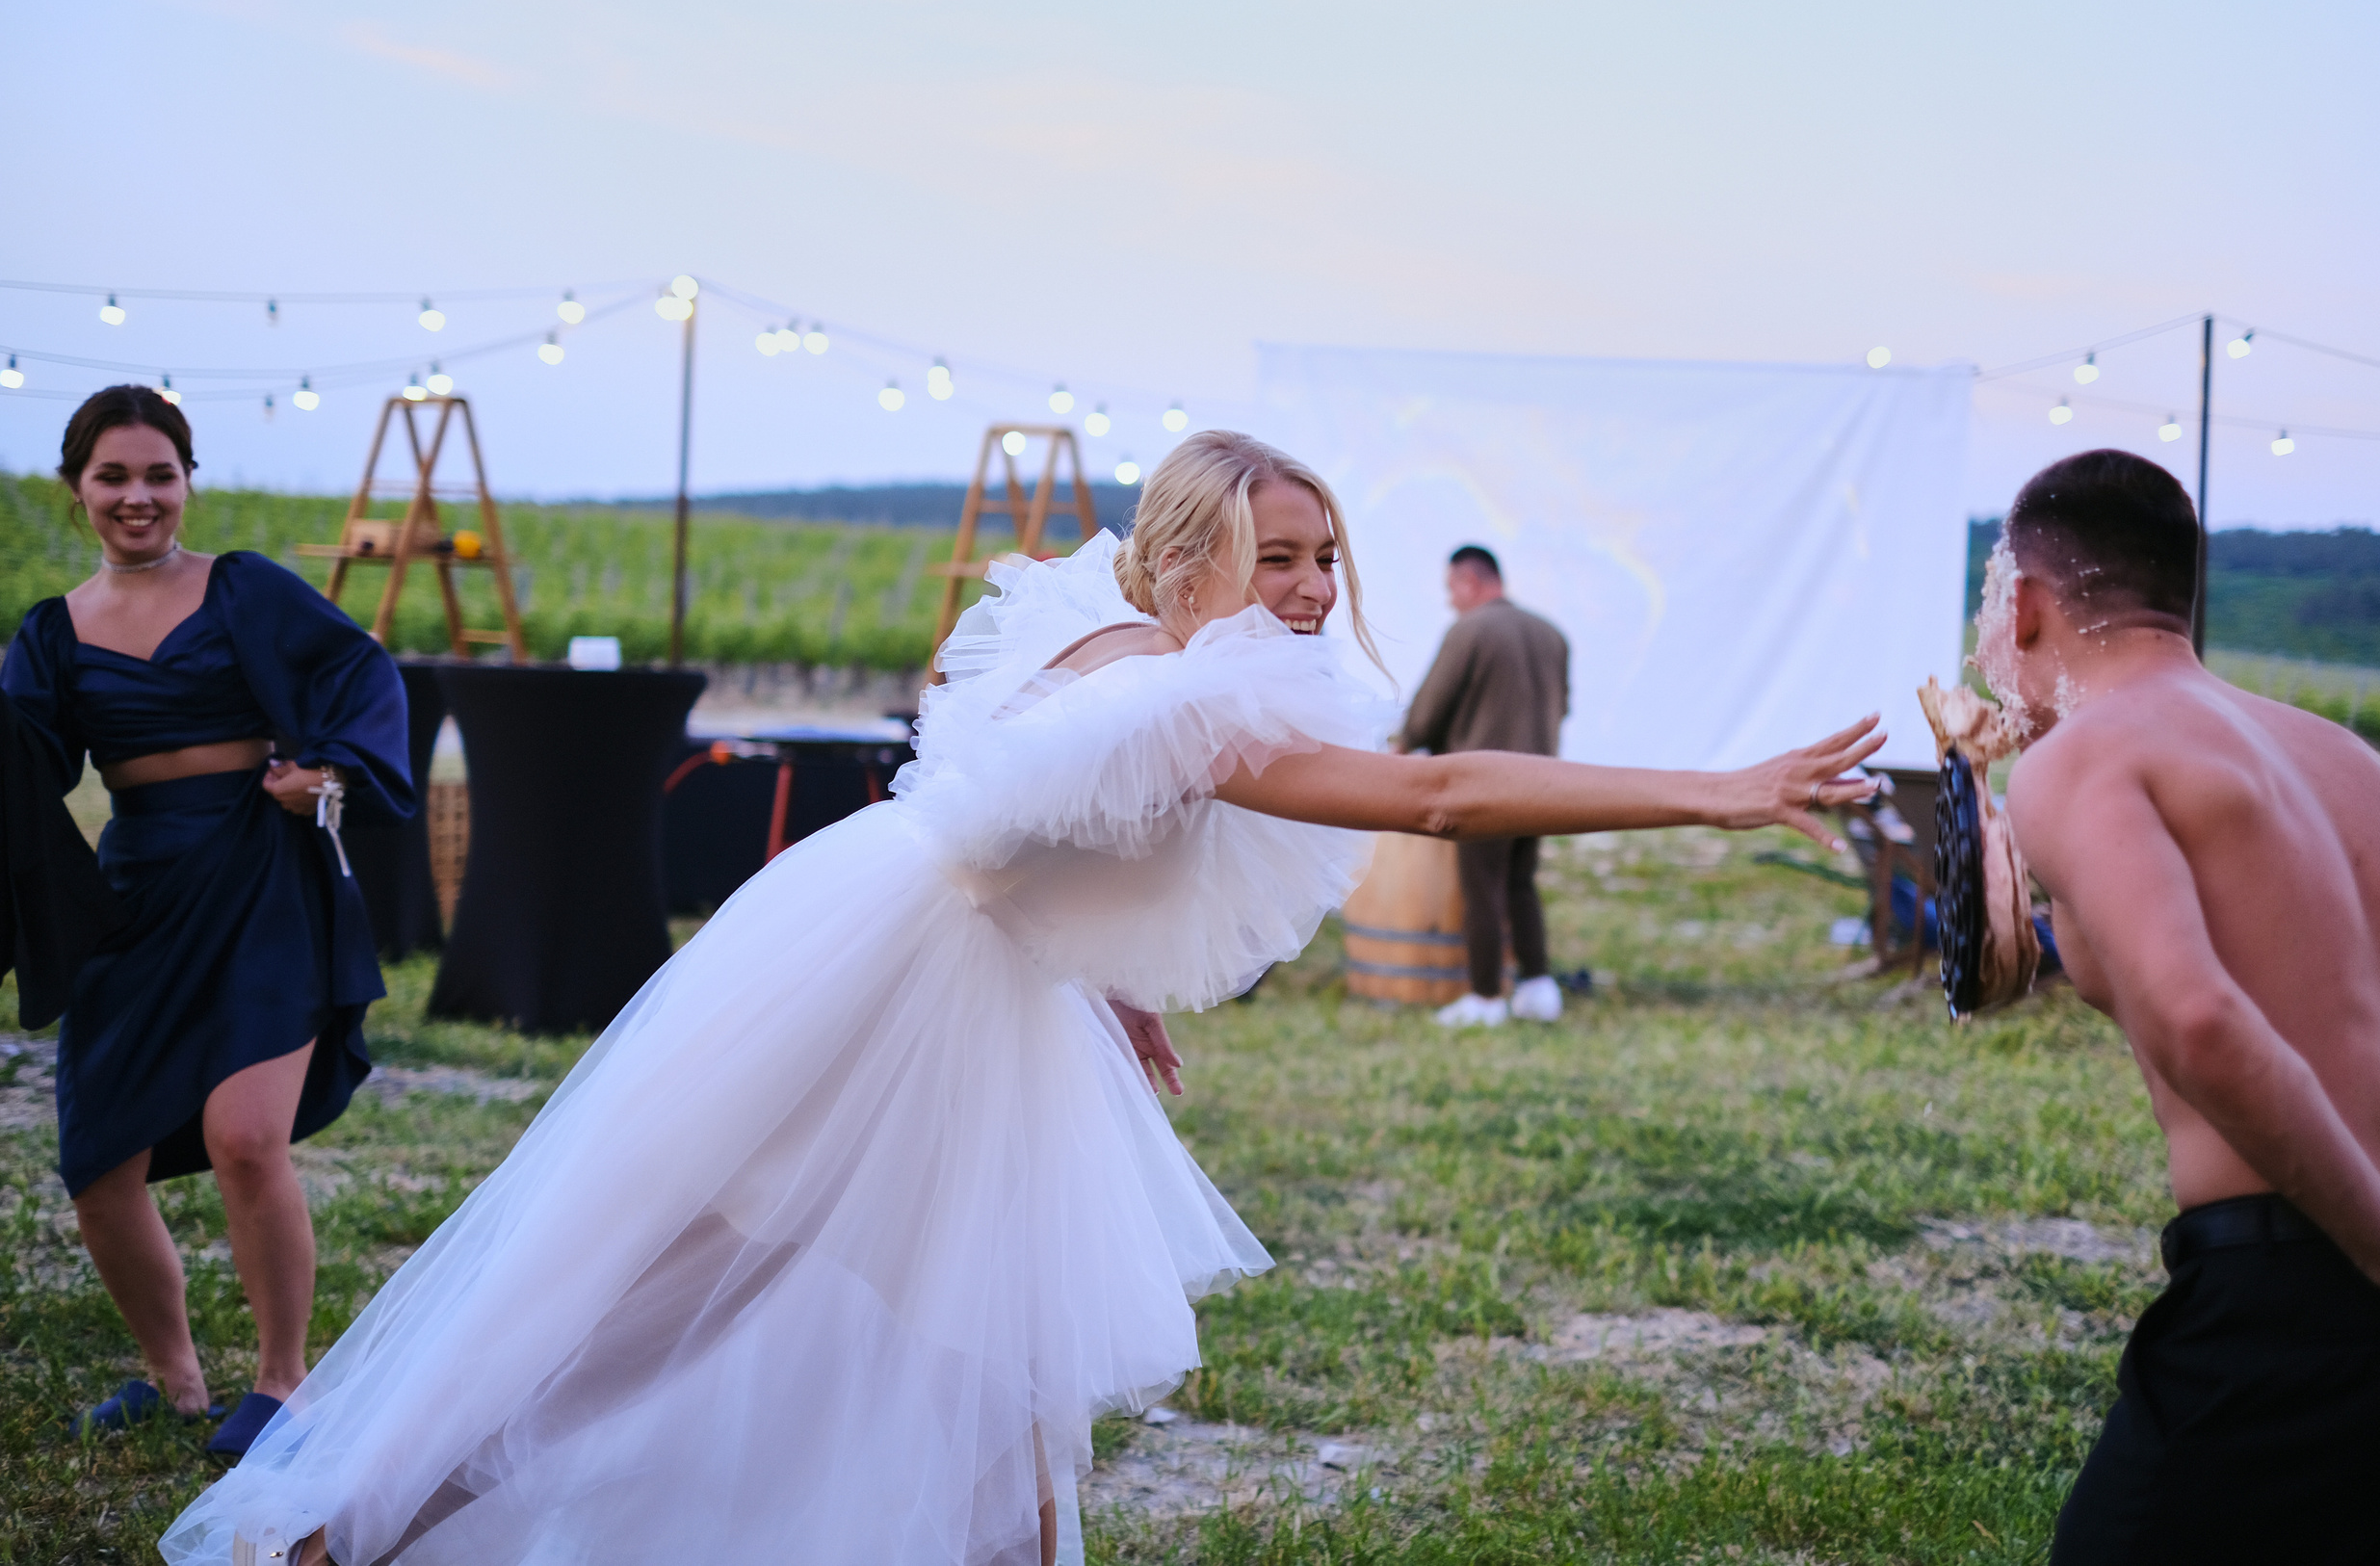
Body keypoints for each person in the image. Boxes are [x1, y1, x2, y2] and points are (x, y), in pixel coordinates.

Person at [164, 430, 1880, 1566]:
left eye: (1328, 555)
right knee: (674, 1276)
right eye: (1276, 556)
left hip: (915, 949)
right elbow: (1433, 796)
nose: (1308, 589)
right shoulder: (1198, 699)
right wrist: (1714, 788)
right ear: (1192, 554)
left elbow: (1024, 818)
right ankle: (352, 1518)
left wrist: (1109, 986)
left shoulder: (1097, 634)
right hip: (896, 990)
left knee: (957, 1339)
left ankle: (365, 1514)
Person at [1974, 449, 2380, 1563]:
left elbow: (2195, 1016)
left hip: (2311, 1278)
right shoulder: (2363, 772)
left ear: (2030, 603)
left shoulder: (2087, 760)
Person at [1, 386, 412, 1459]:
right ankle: (172, 1379)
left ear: (188, 481)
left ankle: (284, 1384)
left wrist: (326, 771)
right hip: (133, 893)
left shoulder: (246, 592)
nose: (138, 497)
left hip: (259, 876)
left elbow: (361, 672)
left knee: (244, 1137)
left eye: (158, 474)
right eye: (113, 477)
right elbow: (22, 765)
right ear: (76, 489)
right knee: (97, 1162)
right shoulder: (49, 634)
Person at [1398, 544, 1571, 1027]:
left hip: (1487, 784)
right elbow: (1563, 707)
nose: (1451, 601)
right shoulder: (1550, 634)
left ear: (1470, 582)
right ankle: (1538, 988)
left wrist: (1405, 745)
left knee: (1482, 887)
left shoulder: (1469, 630)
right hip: (1545, 781)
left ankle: (1485, 997)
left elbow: (1430, 709)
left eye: (1452, 589)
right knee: (1520, 882)